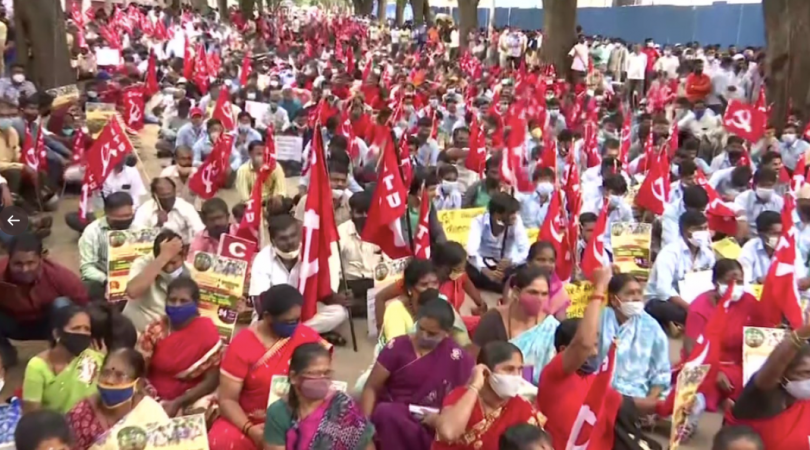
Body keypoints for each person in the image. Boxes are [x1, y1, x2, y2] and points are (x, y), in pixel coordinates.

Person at [208, 284, 329, 450]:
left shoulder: (305, 336)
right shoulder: (242, 345)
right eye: (287, 321)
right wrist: (250, 430)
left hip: (295, 419)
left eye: (297, 320)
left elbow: (323, 375)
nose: (294, 325)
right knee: (221, 441)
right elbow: (227, 400)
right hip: (251, 420)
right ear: (267, 316)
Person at [361, 298, 474, 450]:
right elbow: (371, 387)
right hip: (395, 421)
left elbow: (465, 398)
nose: (424, 335)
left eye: (432, 333)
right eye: (421, 328)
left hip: (433, 425)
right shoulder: (397, 347)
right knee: (385, 412)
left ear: (447, 333)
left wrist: (440, 420)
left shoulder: (457, 357)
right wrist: (365, 430)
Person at [249, 214, 347, 342]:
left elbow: (320, 290)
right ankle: (303, 335)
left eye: (293, 235)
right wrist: (278, 320)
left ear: (300, 234)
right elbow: (260, 302)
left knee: (339, 313)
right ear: (273, 241)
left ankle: (289, 336)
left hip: (303, 310)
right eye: (283, 238)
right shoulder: (262, 259)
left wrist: (337, 298)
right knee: (255, 330)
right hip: (274, 315)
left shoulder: (310, 254)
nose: (290, 242)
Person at [432, 342, 546, 450]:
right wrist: (475, 386)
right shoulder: (462, 397)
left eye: (520, 370)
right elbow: (448, 433)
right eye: (509, 369)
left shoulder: (522, 407)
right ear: (486, 373)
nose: (517, 376)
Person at [264, 343, 375, 450]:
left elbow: (367, 445)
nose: (322, 379)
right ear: (293, 377)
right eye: (314, 373)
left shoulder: (344, 407)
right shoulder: (279, 413)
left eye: (326, 373)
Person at [0, 233, 89, 368]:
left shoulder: (61, 277)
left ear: (41, 259)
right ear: (9, 259)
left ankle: (61, 352)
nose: (24, 269)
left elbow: (84, 307)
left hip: (49, 325)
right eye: (18, 264)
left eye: (30, 263)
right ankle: (4, 354)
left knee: (63, 305)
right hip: (14, 324)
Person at [136, 277, 221, 417]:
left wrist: (178, 403)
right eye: (172, 300)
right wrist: (150, 400)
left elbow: (211, 380)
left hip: (191, 396)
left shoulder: (207, 331)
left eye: (183, 301)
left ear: (196, 304)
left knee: (206, 409)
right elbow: (139, 371)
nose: (177, 305)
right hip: (153, 393)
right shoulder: (156, 329)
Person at [725, 321, 810, 448]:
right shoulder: (760, 397)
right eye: (806, 373)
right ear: (782, 373)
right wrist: (803, 332)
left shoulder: (804, 403)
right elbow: (776, 365)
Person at [66, 348, 169, 450]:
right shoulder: (81, 414)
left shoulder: (150, 412)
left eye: (120, 375)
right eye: (105, 373)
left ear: (138, 383)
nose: (109, 380)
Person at [472, 264, 560, 383]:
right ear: (517, 292)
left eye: (544, 294)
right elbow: (475, 362)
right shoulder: (494, 320)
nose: (539, 299)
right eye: (533, 292)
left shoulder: (551, 326)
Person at [600, 274, 671, 401]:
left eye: (639, 293)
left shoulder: (651, 327)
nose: (637, 298)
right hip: (600, 393)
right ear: (614, 300)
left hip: (636, 396)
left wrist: (648, 402)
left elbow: (661, 374)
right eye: (630, 293)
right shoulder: (599, 321)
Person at [22, 304, 103, 414]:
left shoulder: (92, 358)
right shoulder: (37, 367)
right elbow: (31, 415)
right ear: (57, 334)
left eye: (87, 329)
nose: (82, 333)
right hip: (55, 423)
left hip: (90, 420)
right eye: (76, 328)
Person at [644, 210, 715, 329]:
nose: (704, 232)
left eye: (705, 228)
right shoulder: (670, 253)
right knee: (672, 310)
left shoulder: (707, 254)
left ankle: (680, 324)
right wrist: (690, 308)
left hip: (693, 299)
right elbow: (663, 291)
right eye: (698, 229)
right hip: (663, 300)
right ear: (685, 231)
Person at [123, 230, 190, 332]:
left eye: (173, 263)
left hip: (165, 332)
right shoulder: (142, 263)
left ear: (184, 257)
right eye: (166, 262)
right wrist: (162, 258)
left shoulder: (190, 273)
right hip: (134, 330)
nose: (169, 268)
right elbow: (132, 292)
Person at [466, 192, 530, 292]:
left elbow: (525, 250)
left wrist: (512, 261)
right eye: (511, 213)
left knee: (525, 268)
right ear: (497, 215)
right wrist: (484, 270)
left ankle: (499, 284)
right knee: (468, 268)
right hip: (484, 265)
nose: (515, 216)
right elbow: (472, 251)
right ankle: (503, 285)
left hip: (506, 266)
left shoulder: (516, 222)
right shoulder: (478, 222)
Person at [78, 192, 135, 300]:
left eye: (128, 215)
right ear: (107, 213)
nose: (125, 220)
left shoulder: (139, 226)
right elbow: (87, 267)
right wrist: (107, 280)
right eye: (120, 217)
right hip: (105, 279)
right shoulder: (92, 232)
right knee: (86, 288)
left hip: (137, 278)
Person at [132, 177, 205, 243]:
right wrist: (158, 225)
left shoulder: (186, 208)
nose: (168, 199)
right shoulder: (144, 210)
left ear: (175, 192)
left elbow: (199, 231)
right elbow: (136, 237)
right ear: (154, 196)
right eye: (163, 195)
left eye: (170, 194)